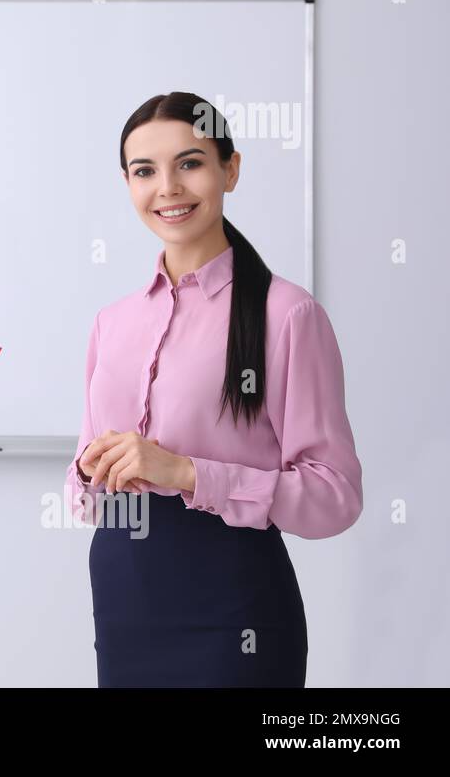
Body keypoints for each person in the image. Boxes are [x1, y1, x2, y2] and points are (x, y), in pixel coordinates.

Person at [64, 91, 363, 687]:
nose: (167, 187)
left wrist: (187, 472)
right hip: (124, 601)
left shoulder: (287, 314)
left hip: (235, 613)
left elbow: (336, 497)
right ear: (127, 184)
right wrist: (87, 474)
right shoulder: (111, 323)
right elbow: (85, 492)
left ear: (230, 168)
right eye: (144, 171)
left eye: (190, 163)